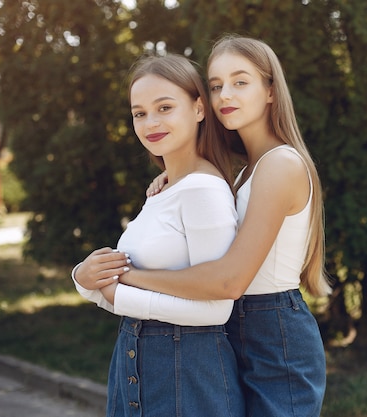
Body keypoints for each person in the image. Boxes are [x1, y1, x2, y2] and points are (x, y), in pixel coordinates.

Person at [76, 35, 331, 417]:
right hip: (239, 328)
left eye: (240, 82)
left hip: (273, 333)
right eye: (215, 85)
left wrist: (130, 276)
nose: (225, 95)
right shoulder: (245, 170)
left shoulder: (280, 165)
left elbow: (228, 283)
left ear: (271, 91)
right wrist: (173, 179)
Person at [71, 53, 244, 417]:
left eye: (164, 107)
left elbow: (217, 309)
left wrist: (120, 293)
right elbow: (119, 286)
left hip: (188, 371)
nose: (150, 123)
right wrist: (84, 280)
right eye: (139, 113)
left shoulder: (203, 191)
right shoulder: (162, 190)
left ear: (199, 109)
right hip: (134, 361)